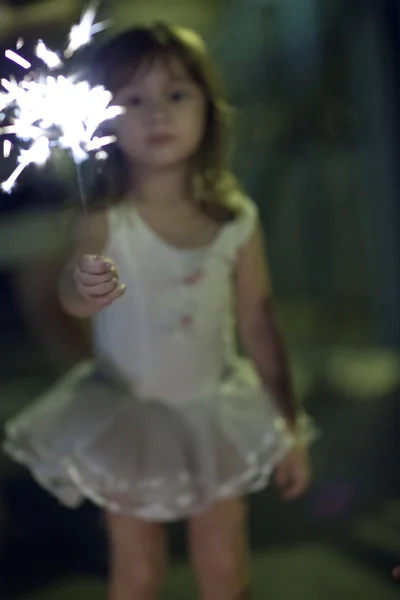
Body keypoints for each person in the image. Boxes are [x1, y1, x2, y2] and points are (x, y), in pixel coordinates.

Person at [3, 25, 313, 600]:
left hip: (216, 414)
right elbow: (73, 294)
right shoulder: (103, 217)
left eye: (176, 94)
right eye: (133, 99)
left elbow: (259, 322)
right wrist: (83, 288)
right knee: (137, 572)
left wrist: (288, 426)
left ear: (208, 109)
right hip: (128, 418)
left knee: (225, 571)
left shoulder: (235, 217)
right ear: (103, 119)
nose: (157, 115)